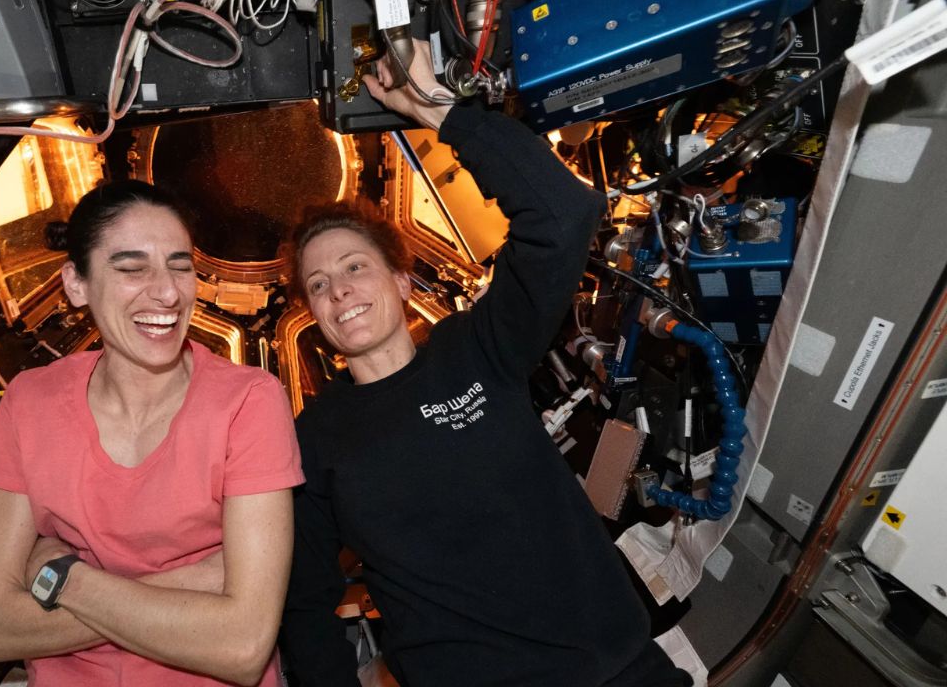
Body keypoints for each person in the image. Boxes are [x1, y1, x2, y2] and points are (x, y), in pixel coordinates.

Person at [277, 42, 691, 686]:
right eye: (320, 284)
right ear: (314, 316)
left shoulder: (478, 347)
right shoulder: (314, 437)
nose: (340, 292)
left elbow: (563, 214)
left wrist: (441, 111)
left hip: (615, 671)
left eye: (355, 267)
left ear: (402, 282)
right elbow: (304, 605)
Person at [0, 181, 304, 686]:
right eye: (131, 269)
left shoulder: (249, 401)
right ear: (76, 284)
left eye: (180, 265)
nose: (167, 292)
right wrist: (195, 587)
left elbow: (241, 647)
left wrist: (66, 578)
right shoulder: (31, 401)